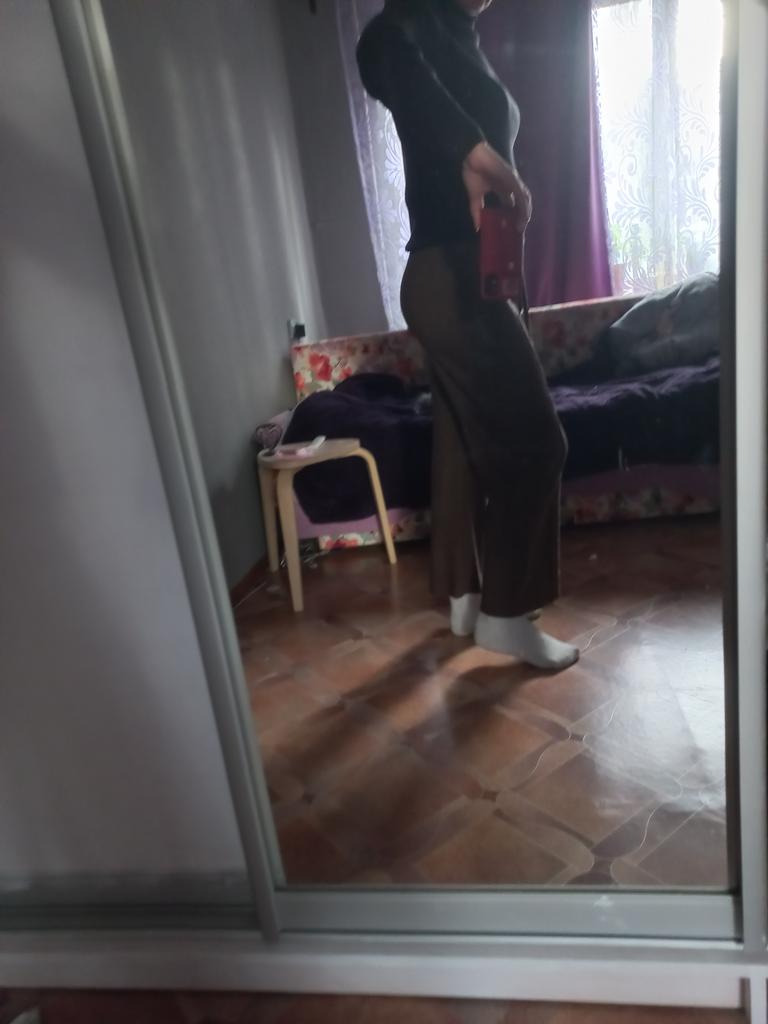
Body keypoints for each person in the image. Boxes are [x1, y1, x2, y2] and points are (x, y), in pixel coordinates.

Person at [357, 0, 578, 671]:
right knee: (536, 443)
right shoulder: (409, 23)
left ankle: (465, 594)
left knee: (459, 441)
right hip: (450, 273)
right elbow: (380, 49)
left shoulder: (461, 36)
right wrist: (473, 150)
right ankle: (507, 616)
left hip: (462, 273)